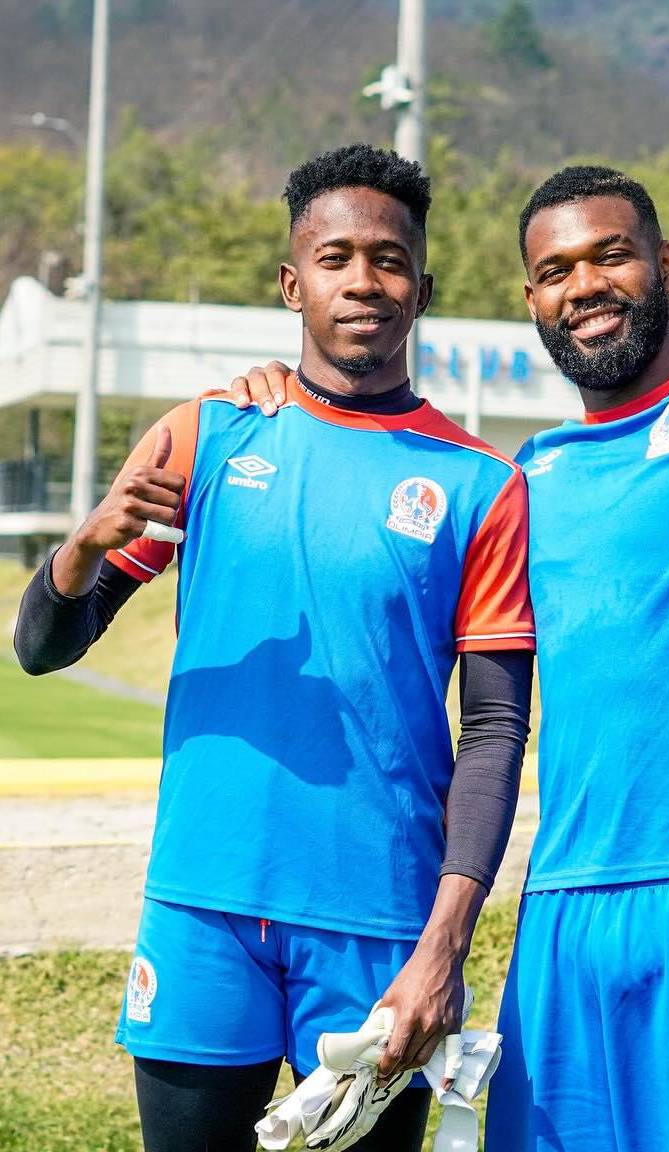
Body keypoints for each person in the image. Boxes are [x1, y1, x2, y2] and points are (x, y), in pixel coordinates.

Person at [232, 165, 669, 1151]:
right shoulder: (521, 480)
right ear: (531, 299)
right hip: (564, 907)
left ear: (663, 265)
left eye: (610, 255)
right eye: (556, 269)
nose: (584, 284)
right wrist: (281, 395)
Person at [14, 143, 535, 1152]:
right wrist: (84, 544)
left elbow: (496, 730)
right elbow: (44, 645)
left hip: (378, 921)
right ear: (293, 284)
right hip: (203, 909)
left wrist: (444, 944)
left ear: (422, 288)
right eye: (335, 258)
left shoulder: (480, 483)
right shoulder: (204, 437)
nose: (364, 281)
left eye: (389, 260)